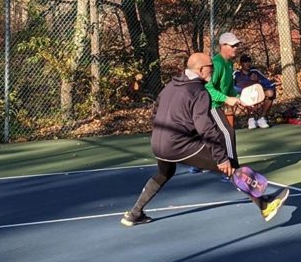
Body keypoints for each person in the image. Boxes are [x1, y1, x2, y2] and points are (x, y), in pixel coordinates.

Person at [121, 51, 287, 226]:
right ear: (201, 69)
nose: (213, 71)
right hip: (179, 145)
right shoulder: (200, 93)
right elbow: (206, 128)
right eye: (211, 67)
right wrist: (221, 157)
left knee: (165, 172)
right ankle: (265, 205)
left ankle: (134, 214)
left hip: (157, 143)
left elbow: (156, 111)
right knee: (230, 167)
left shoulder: (169, 86)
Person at [207, 30, 242, 164]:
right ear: (223, 46)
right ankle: (232, 167)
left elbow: (228, 87)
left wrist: (239, 97)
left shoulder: (229, 63)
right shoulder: (217, 64)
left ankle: (197, 164)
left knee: (208, 135)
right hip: (210, 105)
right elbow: (208, 88)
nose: (235, 48)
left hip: (216, 104)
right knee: (227, 133)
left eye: (236, 45)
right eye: (232, 46)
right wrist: (227, 99)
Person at [234, 54, 279, 129]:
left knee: (270, 93)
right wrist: (243, 90)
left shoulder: (255, 72)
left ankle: (262, 118)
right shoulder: (236, 74)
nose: (248, 63)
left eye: (249, 61)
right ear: (241, 64)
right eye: (245, 62)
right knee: (248, 94)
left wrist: (258, 80)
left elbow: (268, 83)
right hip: (243, 95)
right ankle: (251, 119)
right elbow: (232, 86)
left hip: (257, 93)